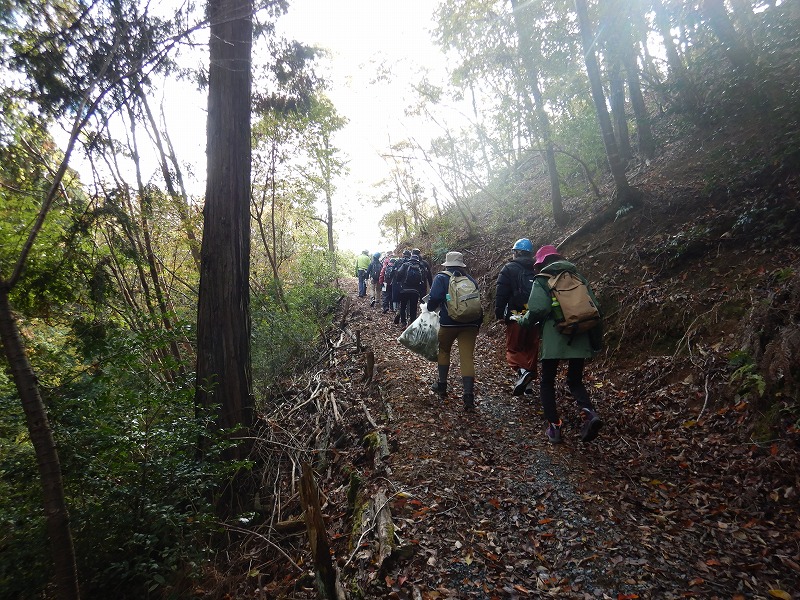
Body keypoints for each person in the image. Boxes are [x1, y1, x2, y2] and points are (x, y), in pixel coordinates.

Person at [518, 245, 603, 444]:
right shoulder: (578, 277)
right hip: (580, 334)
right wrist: (595, 343)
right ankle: (589, 413)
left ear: (542, 263)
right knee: (575, 380)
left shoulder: (541, 280)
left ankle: (554, 427)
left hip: (554, 336)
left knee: (547, 381)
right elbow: (596, 309)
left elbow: (538, 309)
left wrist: (523, 321)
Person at [427, 251, 483, 411]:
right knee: (467, 357)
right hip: (471, 324)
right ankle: (468, 398)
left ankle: (442, 386)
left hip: (449, 323)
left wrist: (430, 308)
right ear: (461, 265)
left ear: (447, 264)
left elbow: (434, 299)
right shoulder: (470, 279)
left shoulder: (441, 278)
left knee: (444, 351)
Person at [495, 238, 541, 396]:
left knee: (514, 349)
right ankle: (528, 387)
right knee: (530, 349)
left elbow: (501, 294)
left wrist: (499, 314)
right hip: (535, 315)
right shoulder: (538, 268)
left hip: (516, 315)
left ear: (517, 252)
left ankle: (522, 372)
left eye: (514, 252)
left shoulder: (509, 268)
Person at [394, 252, 429, 328]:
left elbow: (399, 274)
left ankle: (403, 323)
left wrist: (399, 282)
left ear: (410, 259)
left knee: (403, 306)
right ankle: (412, 323)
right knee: (413, 308)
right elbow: (423, 279)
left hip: (404, 290)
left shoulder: (405, 265)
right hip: (415, 291)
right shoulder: (420, 266)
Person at [392, 250, 412, 324]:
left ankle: (398, 313)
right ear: (410, 255)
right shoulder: (411, 263)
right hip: (408, 285)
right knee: (408, 303)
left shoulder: (398, 261)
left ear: (403, 254)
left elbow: (393, 272)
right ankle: (408, 317)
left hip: (398, 284)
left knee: (400, 302)